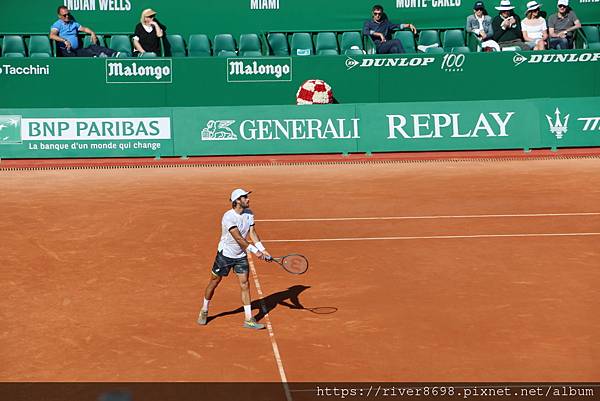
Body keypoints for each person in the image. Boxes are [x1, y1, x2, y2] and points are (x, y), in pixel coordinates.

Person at [197, 189, 271, 330]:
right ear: (237, 201)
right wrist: (256, 252)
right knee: (214, 282)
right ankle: (204, 309)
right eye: (245, 197)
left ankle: (249, 319)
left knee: (245, 284)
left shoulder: (249, 214)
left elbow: (252, 233)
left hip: (241, 257)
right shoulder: (228, 217)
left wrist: (262, 249)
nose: (248, 199)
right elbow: (238, 238)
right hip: (225, 255)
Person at [49, 5, 117, 57]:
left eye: (68, 14)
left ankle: (115, 54)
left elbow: (84, 29)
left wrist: (92, 33)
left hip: (77, 50)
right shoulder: (57, 24)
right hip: (66, 51)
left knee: (93, 47)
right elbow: (52, 35)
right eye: (64, 15)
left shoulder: (73, 23)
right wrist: (64, 41)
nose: (67, 16)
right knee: (90, 53)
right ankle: (99, 56)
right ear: (59, 16)